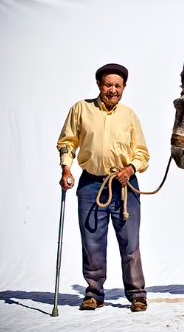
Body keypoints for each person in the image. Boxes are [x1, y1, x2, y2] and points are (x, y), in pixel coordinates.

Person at [57, 63, 150, 312]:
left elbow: (142, 153)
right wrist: (67, 168)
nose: (112, 90)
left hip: (125, 186)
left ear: (124, 87)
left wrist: (130, 169)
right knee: (92, 242)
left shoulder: (129, 115)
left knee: (130, 243)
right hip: (90, 184)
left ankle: (137, 295)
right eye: (108, 85)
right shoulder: (81, 109)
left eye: (117, 86)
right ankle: (94, 294)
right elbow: (67, 142)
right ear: (99, 85)